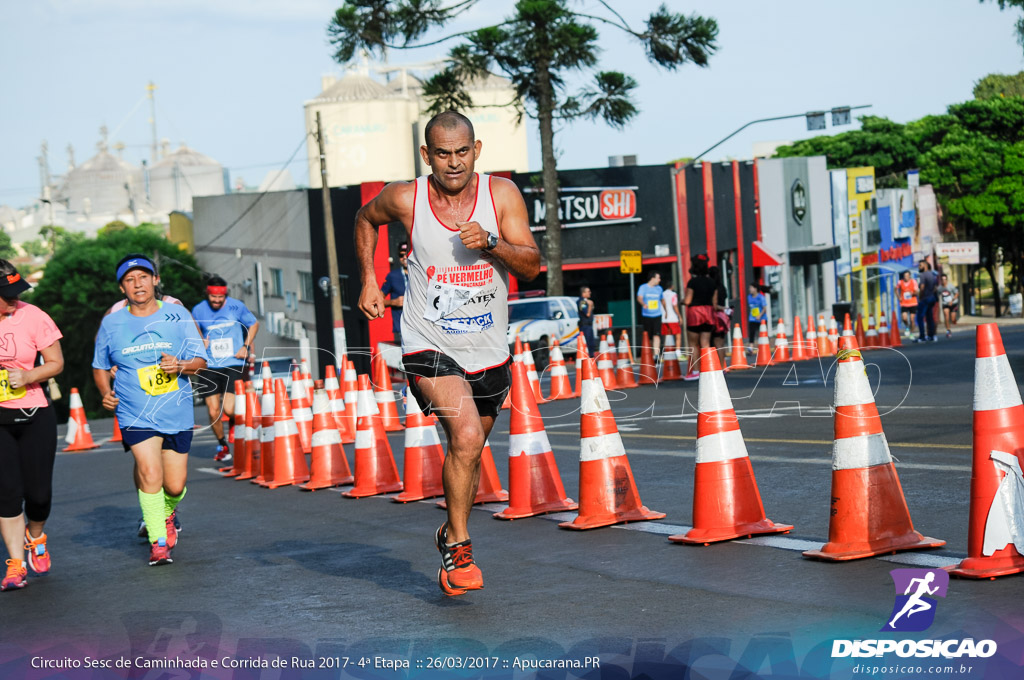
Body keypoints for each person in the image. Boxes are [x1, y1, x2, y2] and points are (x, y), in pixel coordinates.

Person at [354, 110, 540, 597]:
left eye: (462, 152)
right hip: (426, 342)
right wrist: (370, 279)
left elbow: (533, 265)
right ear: (426, 155)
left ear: (476, 150)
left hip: (488, 347)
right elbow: (364, 218)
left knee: (471, 449)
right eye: (442, 153)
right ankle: (459, 545)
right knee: (465, 431)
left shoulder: (501, 195)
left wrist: (493, 244)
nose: (453, 163)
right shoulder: (404, 197)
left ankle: (448, 530)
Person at [93, 255, 208, 566]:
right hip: (134, 411)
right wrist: (105, 392)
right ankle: (158, 543)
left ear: (155, 281)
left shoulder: (178, 314)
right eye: (130, 280)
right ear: (122, 288)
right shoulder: (112, 323)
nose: (137, 284)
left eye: (143, 277)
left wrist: (181, 365)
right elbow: (99, 366)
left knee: (175, 485)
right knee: (150, 473)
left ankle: (167, 512)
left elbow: (200, 363)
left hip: (176, 411)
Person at [0, 260, 63, 592]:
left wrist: (27, 375)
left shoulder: (34, 316)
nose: (14, 300)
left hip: (34, 413)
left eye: (16, 293)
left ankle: (35, 534)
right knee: (6, 494)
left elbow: (57, 363)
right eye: (6, 295)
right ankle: (14, 564)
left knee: (38, 495)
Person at [191, 275, 259, 462]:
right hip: (210, 365)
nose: (217, 301)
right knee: (213, 411)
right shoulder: (198, 310)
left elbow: (254, 324)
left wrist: (245, 345)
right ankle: (222, 445)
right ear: (208, 293)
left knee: (229, 409)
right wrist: (199, 341)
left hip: (233, 363)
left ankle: (236, 425)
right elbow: (194, 331)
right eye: (214, 297)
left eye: (221, 297)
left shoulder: (236, 306)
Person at [683, 254, 717, 380]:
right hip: (708, 312)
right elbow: (714, 302)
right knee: (705, 343)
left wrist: (682, 301)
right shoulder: (712, 282)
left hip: (695, 313)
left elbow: (687, 300)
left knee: (693, 343)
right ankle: (708, 369)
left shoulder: (692, 282)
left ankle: (696, 371)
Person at [381, 243, 409, 347]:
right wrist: (393, 302)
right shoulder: (393, 276)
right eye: (401, 255)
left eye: (407, 254)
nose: (404, 257)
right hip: (402, 327)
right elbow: (377, 301)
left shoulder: (421, 273)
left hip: (422, 326)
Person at [636, 272, 663, 358]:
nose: (659, 280)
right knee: (649, 336)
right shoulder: (643, 287)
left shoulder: (659, 288)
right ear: (653, 278)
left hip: (657, 314)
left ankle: (656, 354)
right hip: (647, 315)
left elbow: (662, 300)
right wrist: (643, 304)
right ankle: (650, 353)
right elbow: (639, 297)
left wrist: (666, 310)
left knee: (657, 334)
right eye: (658, 278)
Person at [708, 266, 730, 359]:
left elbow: (713, 304)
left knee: (711, 343)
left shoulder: (711, 287)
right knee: (721, 342)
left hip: (713, 316)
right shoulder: (722, 286)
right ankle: (722, 367)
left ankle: (715, 367)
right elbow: (725, 297)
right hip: (723, 316)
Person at [915, 260, 939, 342]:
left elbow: (922, 287)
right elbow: (936, 287)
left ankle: (922, 336)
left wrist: (921, 297)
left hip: (925, 299)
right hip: (931, 298)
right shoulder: (932, 275)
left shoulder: (923, 275)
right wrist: (931, 294)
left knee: (920, 317)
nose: (919, 267)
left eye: (920, 265)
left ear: (925, 266)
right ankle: (931, 336)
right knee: (929, 317)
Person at [661, 282, 682, 350]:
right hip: (673, 318)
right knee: (678, 335)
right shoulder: (673, 294)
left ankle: (667, 352)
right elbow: (674, 305)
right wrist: (679, 316)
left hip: (664, 318)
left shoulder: (662, 294)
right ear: (672, 286)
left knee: (667, 336)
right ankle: (678, 352)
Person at [897, 270, 918, 338]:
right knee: (904, 318)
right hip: (904, 303)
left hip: (913, 303)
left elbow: (917, 292)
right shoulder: (900, 282)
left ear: (909, 276)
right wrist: (899, 297)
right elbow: (895, 289)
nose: (906, 277)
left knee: (912, 319)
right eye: (905, 276)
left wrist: (912, 293)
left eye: (907, 276)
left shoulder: (913, 281)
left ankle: (911, 333)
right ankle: (907, 326)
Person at [577, 286, 597, 355]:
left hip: (589, 325)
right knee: (588, 344)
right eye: (588, 291)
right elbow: (587, 314)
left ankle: (591, 359)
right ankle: (590, 360)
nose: (590, 293)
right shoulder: (582, 302)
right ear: (583, 293)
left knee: (591, 344)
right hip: (585, 326)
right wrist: (590, 305)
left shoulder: (586, 301)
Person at [938, 273, 959, 338]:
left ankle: (954, 321)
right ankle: (948, 331)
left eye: (945, 279)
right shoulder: (940, 288)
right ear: (941, 280)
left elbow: (957, 293)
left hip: (953, 303)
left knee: (953, 319)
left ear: (947, 280)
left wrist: (952, 300)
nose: (943, 281)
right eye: (942, 280)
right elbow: (938, 295)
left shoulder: (950, 286)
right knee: (946, 316)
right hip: (945, 304)